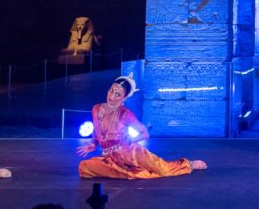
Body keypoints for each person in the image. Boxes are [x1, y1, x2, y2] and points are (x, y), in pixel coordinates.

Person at [77, 75, 206, 179]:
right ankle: (127, 172)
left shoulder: (124, 113)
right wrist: (93, 144)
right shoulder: (96, 108)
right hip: (111, 158)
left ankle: (189, 164)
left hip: (132, 154)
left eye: (117, 94)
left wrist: (129, 141)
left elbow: (145, 133)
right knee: (84, 167)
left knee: (164, 171)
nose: (111, 96)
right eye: (111, 91)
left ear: (123, 98)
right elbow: (97, 130)